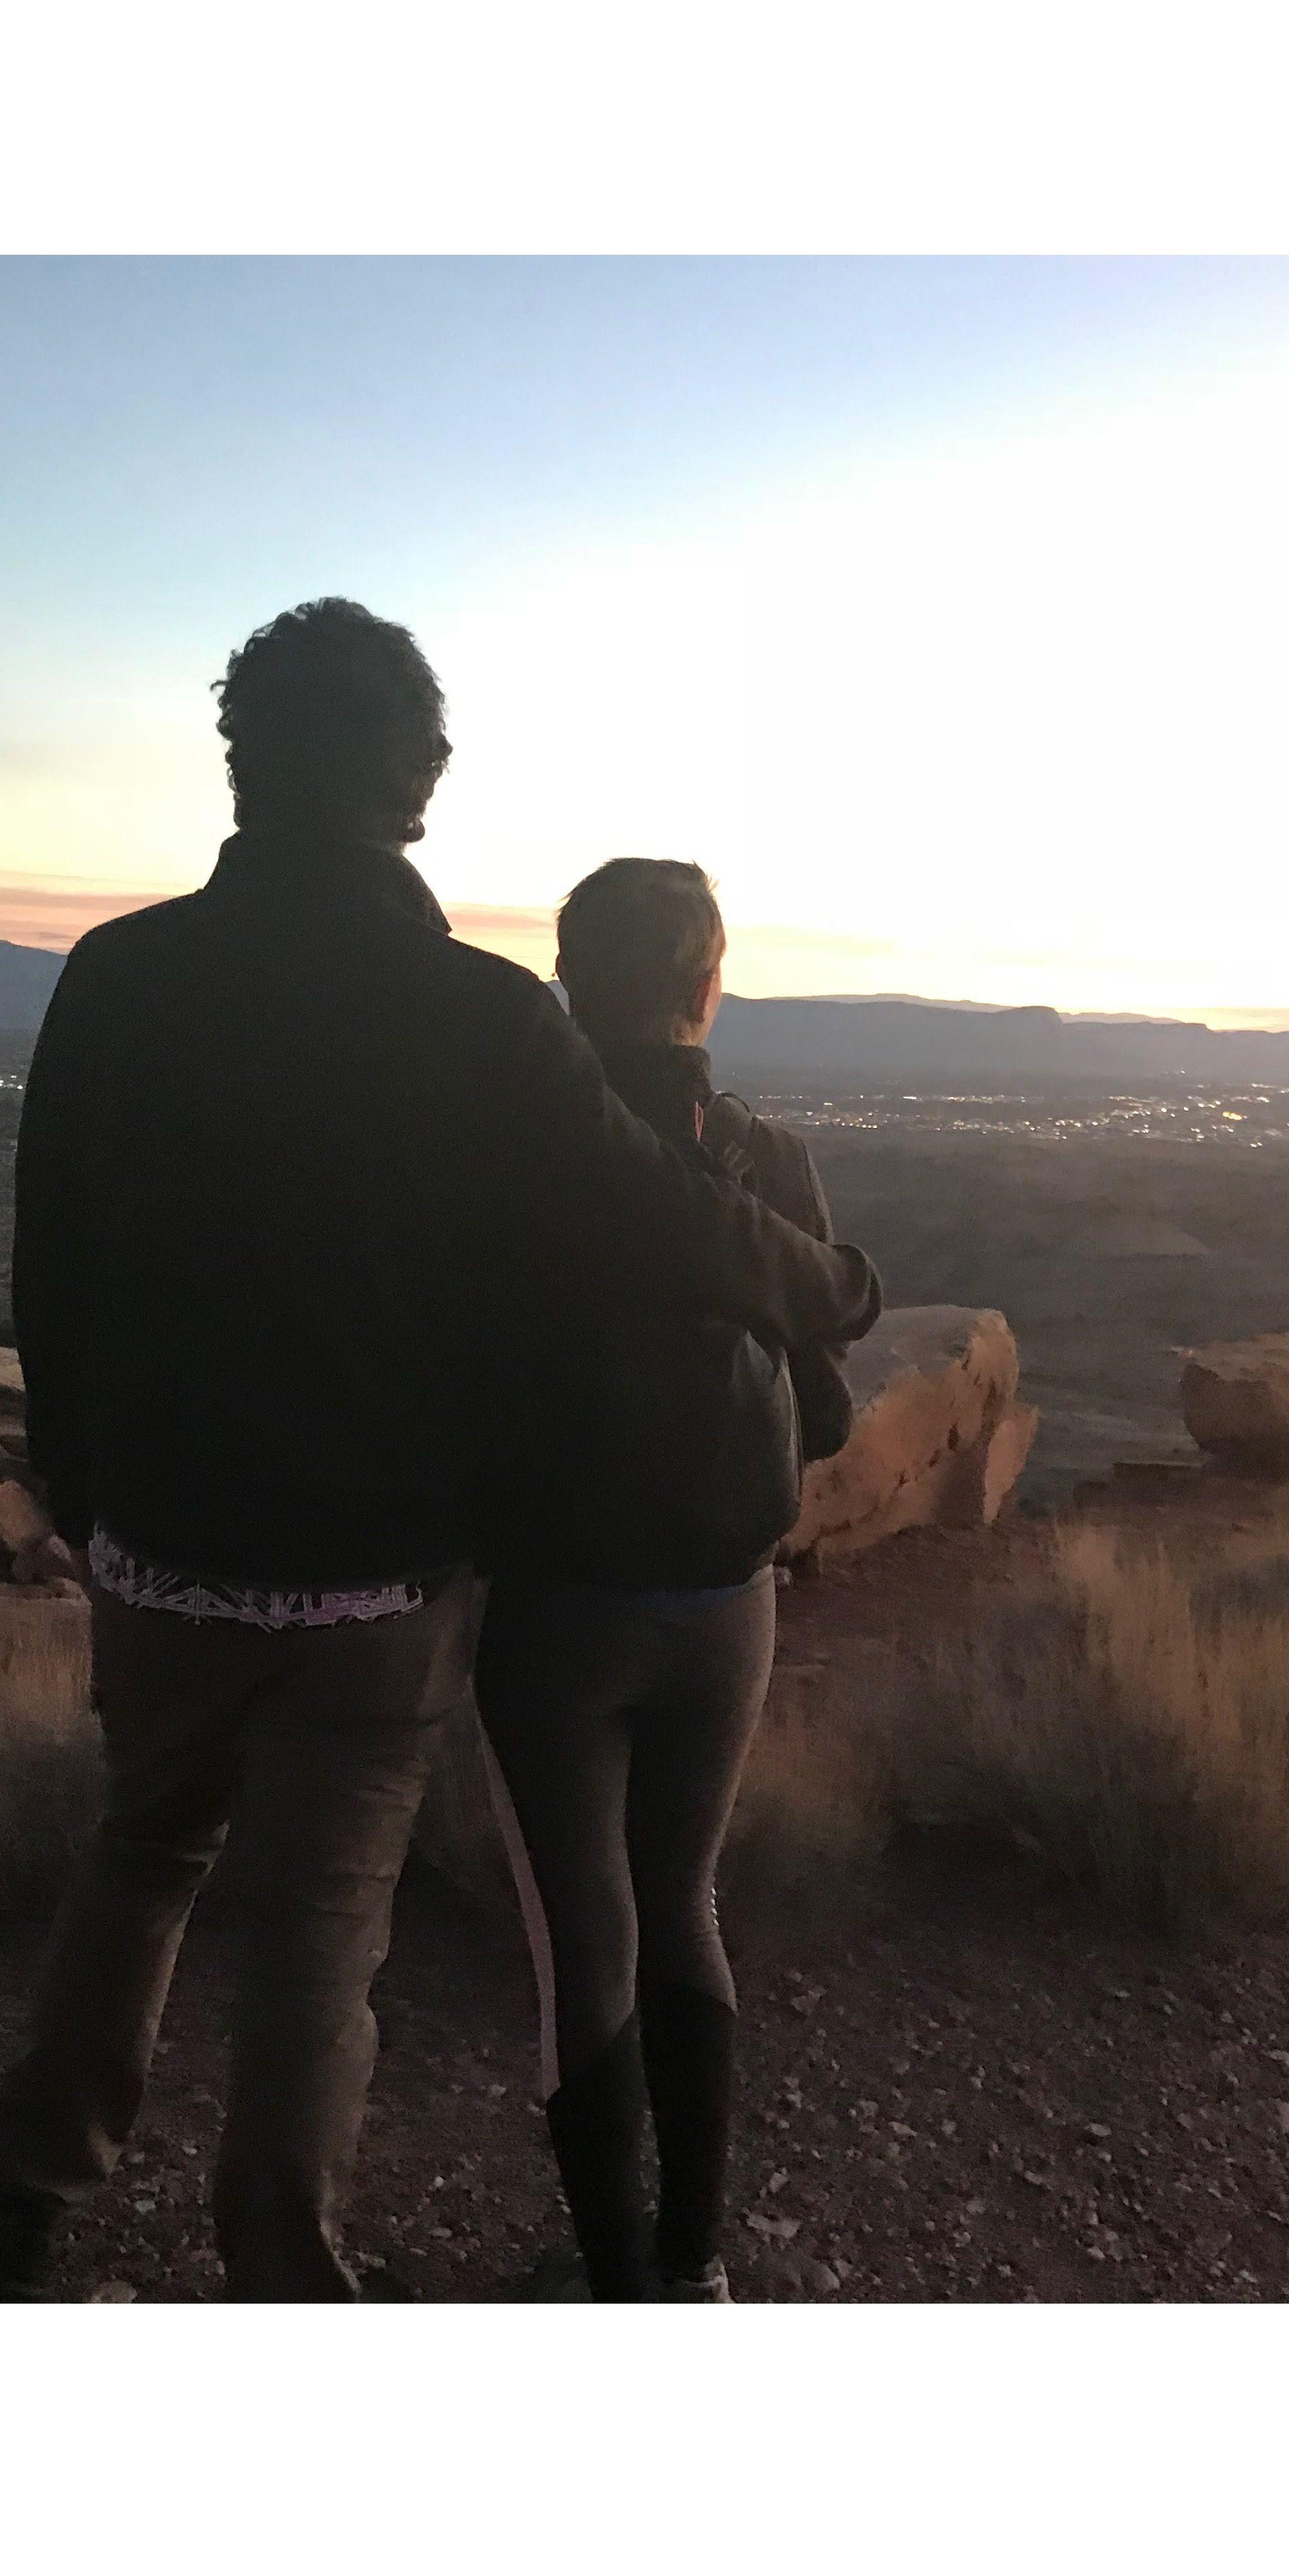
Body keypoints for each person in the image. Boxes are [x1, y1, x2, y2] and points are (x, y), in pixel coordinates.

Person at [0, 602, 880, 2302]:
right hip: (377, 1578)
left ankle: (29, 2193)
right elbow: (663, 1217)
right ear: (423, 782)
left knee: (141, 1853)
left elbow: (53, 1269)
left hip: (160, 1543)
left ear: (241, 756)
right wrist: (832, 1286)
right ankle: (283, 2269)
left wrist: (86, 1496)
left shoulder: (118, 978)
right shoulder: (475, 1019)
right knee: (318, 1929)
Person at [477, 858, 855, 2302]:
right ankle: (693, 2259)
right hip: (727, 1593)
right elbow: (820, 1408)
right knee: (683, 1897)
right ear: (709, 983)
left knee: (589, 1932)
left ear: (572, 983)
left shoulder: (516, 1159)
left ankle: (613, 2267)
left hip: (557, 1607)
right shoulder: (767, 1163)